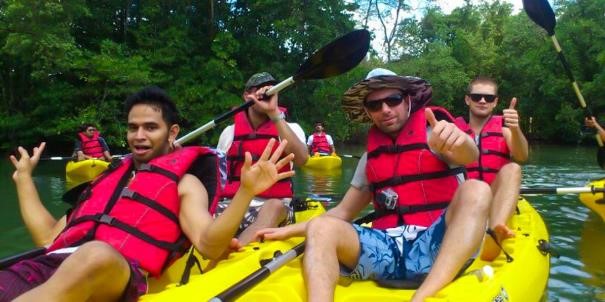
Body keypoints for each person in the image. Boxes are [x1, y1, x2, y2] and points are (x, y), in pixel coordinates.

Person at [1, 86, 295, 302]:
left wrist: (245, 191)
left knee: (95, 255)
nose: (139, 136)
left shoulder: (184, 183)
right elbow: (49, 239)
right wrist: (24, 180)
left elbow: (209, 244)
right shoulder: (106, 178)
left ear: (172, 132)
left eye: (150, 127)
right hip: (52, 264)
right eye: (133, 128)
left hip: (115, 270)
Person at [257, 68, 492, 302]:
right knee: (322, 227)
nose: (385, 109)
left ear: (408, 100)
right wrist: (285, 231)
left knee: (478, 189)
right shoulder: (370, 158)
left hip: (435, 244)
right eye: (375, 105)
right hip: (385, 248)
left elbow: (469, 155)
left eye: (393, 100)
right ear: (368, 112)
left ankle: (422, 296)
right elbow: (342, 212)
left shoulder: (438, 137)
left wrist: (460, 140)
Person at [215, 72, 308, 245]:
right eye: (258, 88)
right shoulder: (229, 133)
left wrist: (274, 113)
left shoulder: (290, 128)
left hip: (274, 205)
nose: (265, 91)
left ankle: (238, 253)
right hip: (233, 204)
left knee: (274, 206)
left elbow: (302, 159)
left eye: (271, 88)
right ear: (246, 96)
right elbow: (218, 178)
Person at [454, 76, 529, 261]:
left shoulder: (505, 131)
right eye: (477, 96)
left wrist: (515, 128)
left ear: (495, 102)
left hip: (494, 201)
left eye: (488, 98)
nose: (482, 101)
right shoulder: (454, 131)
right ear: (467, 99)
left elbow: (521, 156)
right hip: (464, 203)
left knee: (513, 169)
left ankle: (496, 231)